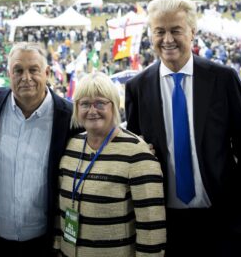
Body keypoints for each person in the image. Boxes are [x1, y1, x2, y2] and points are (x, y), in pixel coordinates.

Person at [125, 0, 241, 256]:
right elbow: (135, 151)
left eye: (176, 30)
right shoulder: (138, 87)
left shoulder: (223, 79)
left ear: (192, 32)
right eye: (160, 31)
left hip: (223, 220)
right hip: (166, 224)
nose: (168, 39)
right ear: (151, 34)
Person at [0, 42, 77, 256]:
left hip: (44, 241)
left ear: (47, 72)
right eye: (18, 70)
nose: (26, 77)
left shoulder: (69, 117)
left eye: (33, 70)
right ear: (8, 73)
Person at [56, 72, 166, 257]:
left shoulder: (137, 153)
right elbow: (60, 210)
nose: (92, 110)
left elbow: (151, 229)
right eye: (84, 104)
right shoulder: (71, 147)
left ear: (114, 106)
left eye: (100, 103)